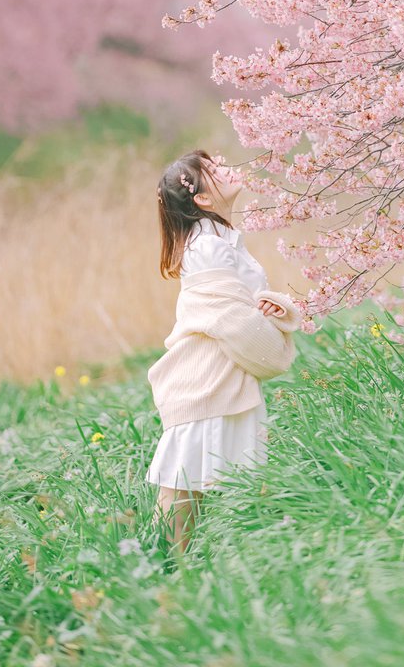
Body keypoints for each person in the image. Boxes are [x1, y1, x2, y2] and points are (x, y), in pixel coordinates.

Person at [147, 148, 300, 553]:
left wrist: (271, 309)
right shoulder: (208, 247)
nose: (226, 168)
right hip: (208, 376)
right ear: (202, 199)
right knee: (186, 478)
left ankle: (205, 561)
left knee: (204, 474)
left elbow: (238, 310)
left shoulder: (222, 239)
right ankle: (170, 566)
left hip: (226, 373)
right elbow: (227, 319)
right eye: (214, 171)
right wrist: (272, 341)